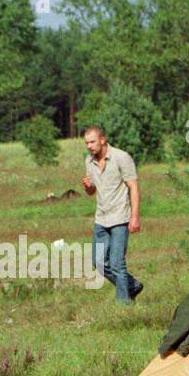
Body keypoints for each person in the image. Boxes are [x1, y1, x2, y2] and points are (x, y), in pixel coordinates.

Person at [81, 125, 143, 303]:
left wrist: (135, 216)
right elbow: (92, 191)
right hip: (101, 218)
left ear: (102, 140)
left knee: (117, 264)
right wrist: (88, 187)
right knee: (98, 262)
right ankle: (133, 285)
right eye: (86, 143)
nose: (89, 146)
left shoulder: (121, 157)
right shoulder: (89, 160)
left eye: (92, 142)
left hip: (120, 218)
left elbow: (133, 187)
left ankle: (124, 305)